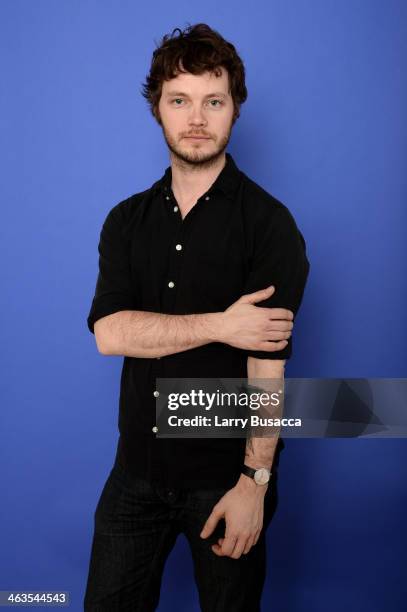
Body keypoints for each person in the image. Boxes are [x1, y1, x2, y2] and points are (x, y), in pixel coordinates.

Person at [84, 22, 310, 612]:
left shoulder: (269, 224)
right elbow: (111, 334)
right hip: (134, 473)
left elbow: (268, 371)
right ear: (157, 108)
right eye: (179, 100)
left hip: (226, 479)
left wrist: (254, 484)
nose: (197, 118)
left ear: (235, 108)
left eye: (214, 100)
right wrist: (220, 324)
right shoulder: (125, 221)